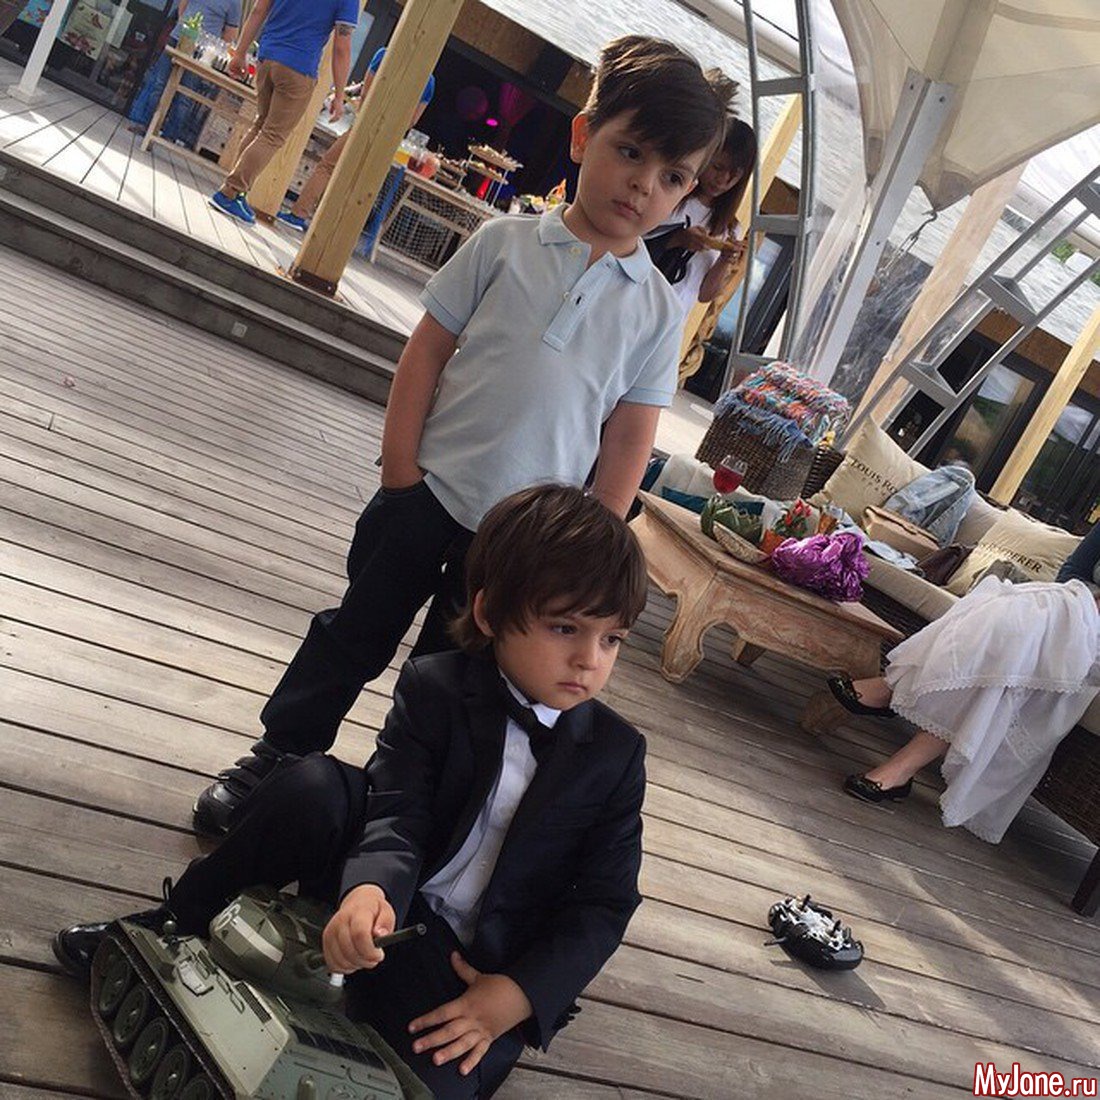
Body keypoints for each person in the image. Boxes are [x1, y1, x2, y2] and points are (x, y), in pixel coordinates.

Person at [191, 34, 732, 836]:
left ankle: (386, 810)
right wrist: (400, 471)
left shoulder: (655, 310)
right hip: (426, 493)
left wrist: (587, 547)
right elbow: (427, 354)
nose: (644, 185)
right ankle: (277, 757)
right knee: (353, 634)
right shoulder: (503, 243)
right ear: (583, 137)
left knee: (450, 681)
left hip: (522, 546)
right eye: (631, 153)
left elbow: (627, 439)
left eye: (673, 177)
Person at [53, 485, 649, 1100]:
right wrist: (370, 889)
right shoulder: (436, 687)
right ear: (490, 613)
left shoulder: (616, 755)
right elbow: (399, 807)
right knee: (312, 785)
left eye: (612, 639)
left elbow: (604, 904)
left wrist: (518, 995)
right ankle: (173, 923)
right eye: (564, 627)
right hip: (383, 894)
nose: (589, 660)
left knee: (431, 1079)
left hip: (471, 964)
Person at [832, 531, 1100, 842]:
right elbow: (1073, 571)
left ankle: (896, 690)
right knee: (1009, 619)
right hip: (1078, 611)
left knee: (1021, 639)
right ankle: (900, 764)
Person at [209, 0, 358, 225]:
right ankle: (229, 193)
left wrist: (240, 53)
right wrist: (339, 95)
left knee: (261, 125)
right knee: (272, 135)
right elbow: (341, 47)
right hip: (298, 68)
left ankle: (238, 193)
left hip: (267, 57)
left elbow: (258, 10)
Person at [276, 45, 436, 232]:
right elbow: (412, 120)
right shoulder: (429, 81)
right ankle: (336, 231)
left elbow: (366, 94)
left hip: (366, 125)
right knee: (360, 185)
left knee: (327, 167)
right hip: (389, 140)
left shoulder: (384, 55)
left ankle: (298, 215)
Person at [647, 117, 756, 316]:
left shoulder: (731, 228)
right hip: (636, 303)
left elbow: (705, 295)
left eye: (734, 175)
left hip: (672, 320)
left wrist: (725, 260)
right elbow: (630, 242)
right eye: (717, 167)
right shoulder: (673, 193)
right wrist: (677, 239)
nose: (723, 180)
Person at [127, 0, 241, 138]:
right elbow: (183, 4)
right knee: (159, 83)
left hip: (202, 51)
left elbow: (230, 33)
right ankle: (146, 124)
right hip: (178, 38)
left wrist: (213, 48)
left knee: (186, 94)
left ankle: (170, 135)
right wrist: (183, 25)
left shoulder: (234, 2)